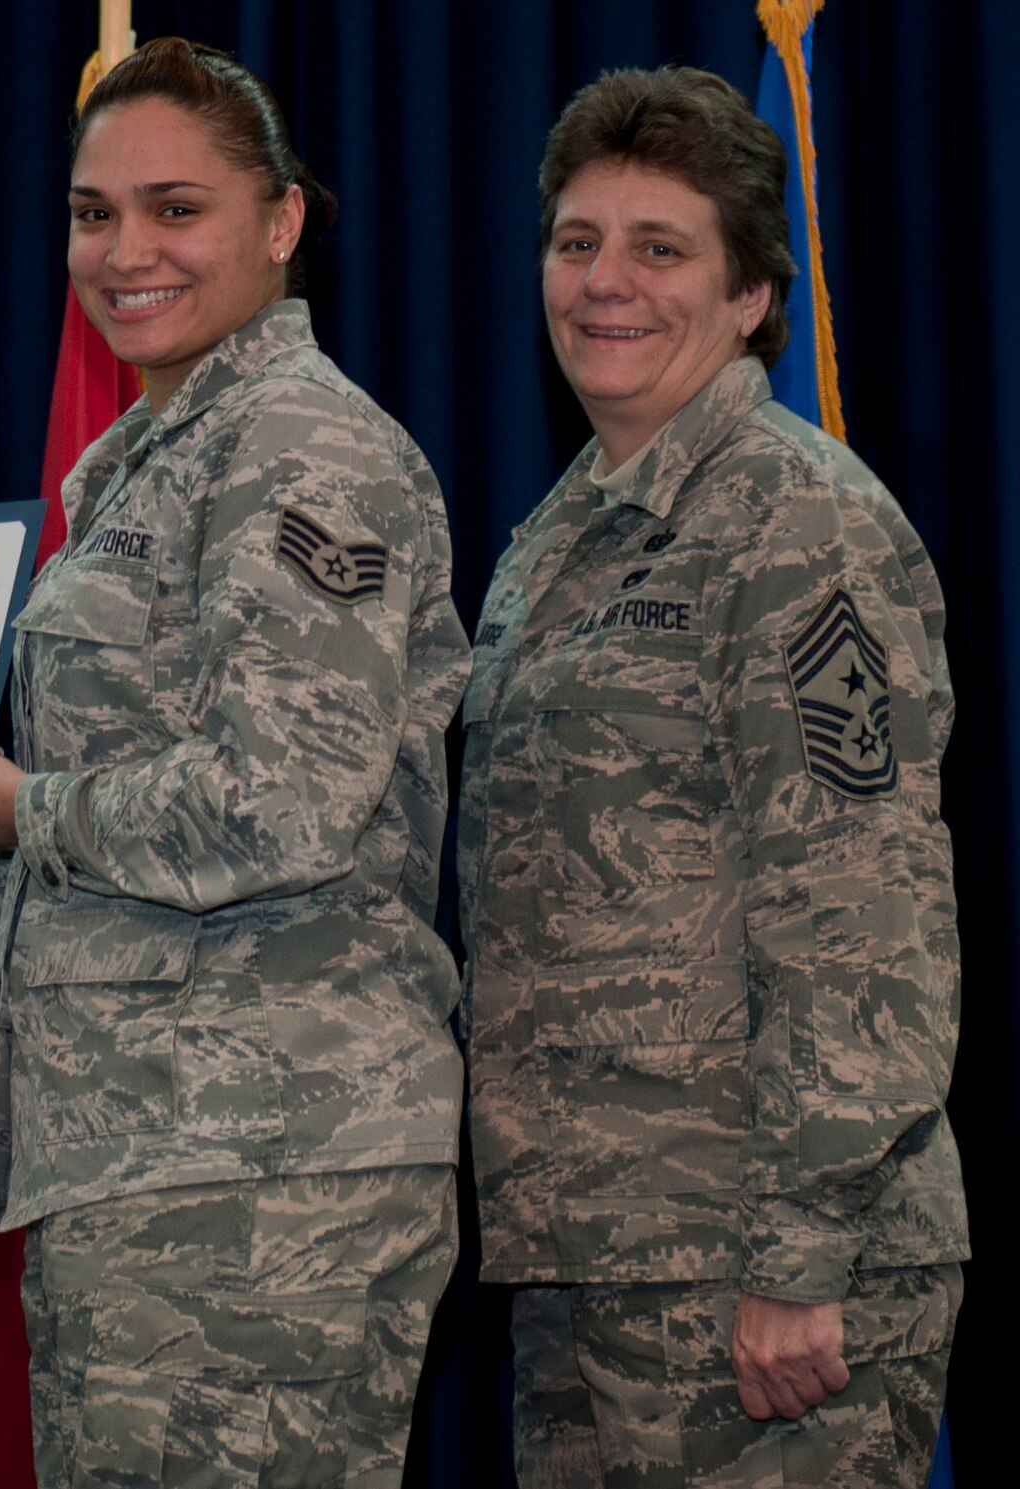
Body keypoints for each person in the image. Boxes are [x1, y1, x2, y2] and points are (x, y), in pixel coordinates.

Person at [0, 38, 468, 1487]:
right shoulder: (146, 457)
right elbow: (87, 860)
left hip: (263, 1178)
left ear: (280, 223)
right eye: (93, 213)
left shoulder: (300, 452)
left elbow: (280, 802)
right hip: (154, 1166)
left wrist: (18, 803)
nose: (127, 251)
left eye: (175, 210)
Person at [459, 66, 967, 1487]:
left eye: (660, 248)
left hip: (761, 1268)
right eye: (577, 242)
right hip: (589, 1254)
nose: (605, 282)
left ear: (751, 297)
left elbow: (865, 915)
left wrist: (801, 1250)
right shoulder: (557, 541)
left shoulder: (799, 524)